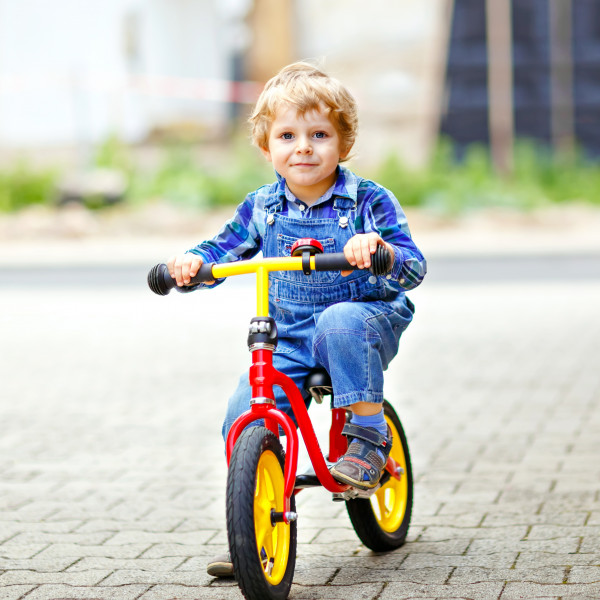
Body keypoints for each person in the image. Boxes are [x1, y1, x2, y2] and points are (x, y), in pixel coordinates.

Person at [167, 61, 427, 577]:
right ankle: (256, 523)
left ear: (343, 143)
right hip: (287, 338)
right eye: (287, 135)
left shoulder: (367, 201)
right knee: (246, 406)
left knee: (339, 321)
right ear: (267, 147)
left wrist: (378, 251)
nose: (303, 147)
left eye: (319, 134)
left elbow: (413, 267)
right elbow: (224, 249)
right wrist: (192, 265)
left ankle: (369, 436)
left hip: (364, 320)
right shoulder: (261, 207)